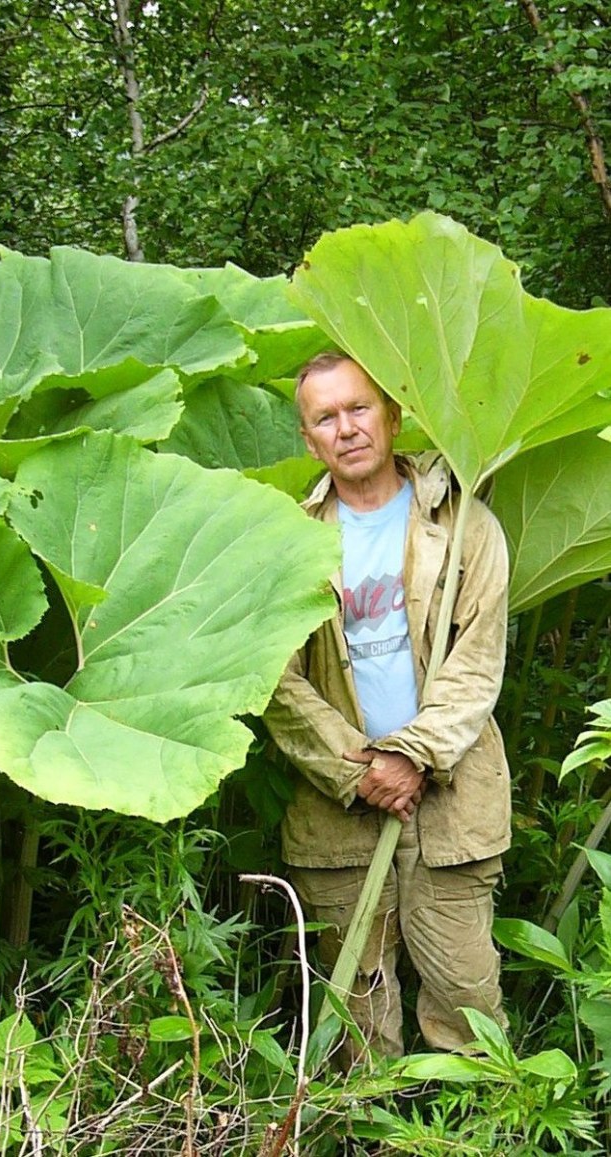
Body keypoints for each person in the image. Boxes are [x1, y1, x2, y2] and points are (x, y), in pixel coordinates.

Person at [264, 352, 512, 1064]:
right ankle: (371, 1141)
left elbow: (477, 660)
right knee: (355, 1016)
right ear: (308, 440)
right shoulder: (287, 541)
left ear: (393, 415)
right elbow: (273, 679)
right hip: (340, 805)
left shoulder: (465, 525)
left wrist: (413, 755)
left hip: (450, 800)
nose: (346, 428)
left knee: (468, 1002)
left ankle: (480, 1137)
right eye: (325, 418)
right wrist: (361, 767)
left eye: (359, 408)